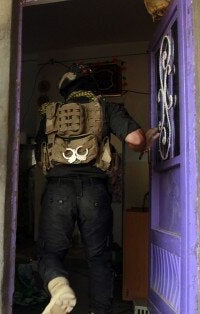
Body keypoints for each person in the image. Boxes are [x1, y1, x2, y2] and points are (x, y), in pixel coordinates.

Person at [36, 64, 159, 314]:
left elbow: (41, 155)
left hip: (57, 190)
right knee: (99, 259)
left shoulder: (49, 112)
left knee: (50, 252)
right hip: (94, 191)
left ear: (65, 91)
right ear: (93, 88)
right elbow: (135, 140)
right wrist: (144, 141)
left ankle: (59, 286)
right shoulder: (106, 107)